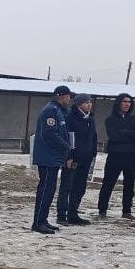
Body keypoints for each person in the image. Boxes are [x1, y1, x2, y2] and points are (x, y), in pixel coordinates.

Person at [31, 85, 74, 234]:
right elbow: (49, 134)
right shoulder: (51, 110)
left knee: (49, 190)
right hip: (47, 157)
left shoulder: (59, 111)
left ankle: (43, 220)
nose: (70, 99)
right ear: (61, 96)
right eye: (69, 96)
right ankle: (38, 222)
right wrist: (66, 147)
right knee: (45, 190)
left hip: (53, 157)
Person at [98, 92, 135, 220]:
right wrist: (131, 135)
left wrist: (124, 132)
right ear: (119, 103)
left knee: (129, 185)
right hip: (115, 156)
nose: (127, 104)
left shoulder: (134, 119)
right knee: (108, 183)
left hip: (131, 156)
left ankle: (127, 211)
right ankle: (102, 211)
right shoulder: (111, 119)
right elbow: (113, 136)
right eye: (124, 101)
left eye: (129, 102)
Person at [57, 94, 98, 226]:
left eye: (90, 102)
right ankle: (61, 215)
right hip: (73, 159)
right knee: (67, 186)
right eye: (86, 102)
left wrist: (93, 152)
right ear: (79, 104)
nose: (89, 105)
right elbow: (67, 138)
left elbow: (94, 137)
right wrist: (69, 156)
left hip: (86, 159)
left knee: (80, 187)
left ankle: (73, 214)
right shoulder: (71, 118)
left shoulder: (90, 119)